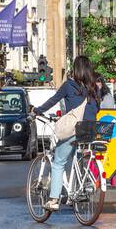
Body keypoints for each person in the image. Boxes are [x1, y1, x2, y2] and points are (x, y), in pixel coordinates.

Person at [32, 55, 100, 212]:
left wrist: (37, 110)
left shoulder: (69, 85)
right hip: (90, 129)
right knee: (78, 158)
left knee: (59, 162)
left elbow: (53, 100)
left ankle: (54, 199)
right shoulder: (94, 88)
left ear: (76, 70)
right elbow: (97, 109)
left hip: (74, 129)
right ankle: (75, 192)